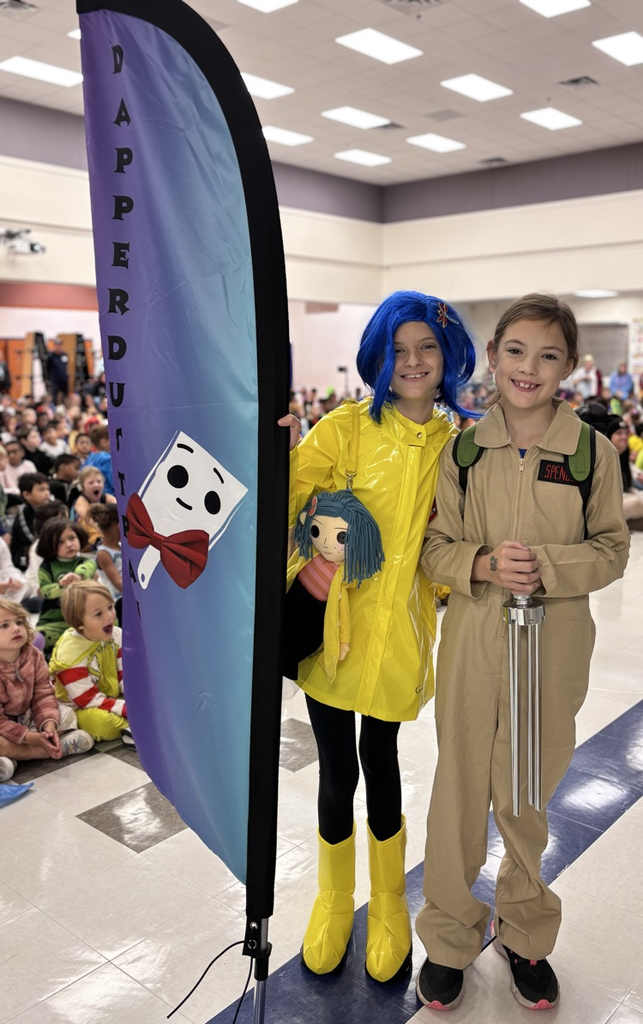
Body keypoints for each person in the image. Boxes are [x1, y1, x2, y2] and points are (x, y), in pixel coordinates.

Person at [414, 293, 630, 1011]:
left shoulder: (589, 452)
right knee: (457, 794)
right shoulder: (463, 451)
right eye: (514, 351)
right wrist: (478, 565)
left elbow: (610, 551)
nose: (528, 368)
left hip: (551, 645)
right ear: (494, 356)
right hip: (474, 642)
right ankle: (448, 935)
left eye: (546, 355)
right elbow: (432, 549)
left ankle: (524, 933)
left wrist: (544, 565)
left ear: (568, 366)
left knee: (527, 796)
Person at [278, 290, 476, 984]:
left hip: (400, 642)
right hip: (332, 633)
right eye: (398, 349)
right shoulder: (342, 430)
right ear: (377, 356)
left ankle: (388, 902)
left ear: (448, 356)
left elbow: (461, 542)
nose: (413, 362)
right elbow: (284, 496)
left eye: (426, 347)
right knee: (336, 771)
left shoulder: (460, 447)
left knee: (382, 765)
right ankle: (333, 898)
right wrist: (266, 442)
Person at [0, 598, 94, 782]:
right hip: (4, 727)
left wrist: (48, 726)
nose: (16, 628)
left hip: (28, 717)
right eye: (4, 625)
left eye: (19, 622)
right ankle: (51, 750)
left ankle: (15, 756)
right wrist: (30, 738)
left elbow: (43, 694)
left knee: (66, 713)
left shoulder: (33, 655)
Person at [49, 581, 131, 744]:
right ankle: (133, 726)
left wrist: (134, 697)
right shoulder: (70, 655)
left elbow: (125, 672)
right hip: (81, 706)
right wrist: (126, 709)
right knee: (101, 724)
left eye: (110, 607)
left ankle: (133, 722)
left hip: (109, 695)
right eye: (98, 614)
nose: (109, 616)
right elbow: (86, 699)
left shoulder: (117, 634)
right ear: (79, 623)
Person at [35, 519, 97, 655]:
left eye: (72, 538)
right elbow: (45, 590)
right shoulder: (46, 566)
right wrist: (63, 586)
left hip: (83, 619)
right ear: (49, 545)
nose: (69, 544)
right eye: (60, 542)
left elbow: (88, 568)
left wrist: (79, 577)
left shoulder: (86, 562)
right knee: (36, 639)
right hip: (53, 621)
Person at [10, 472, 51, 571]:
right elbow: (30, 537)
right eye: (41, 490)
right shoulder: (23, 512)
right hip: (23, 556)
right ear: (27, 495)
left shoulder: (51, 508)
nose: (47, 493)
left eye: (47, 489)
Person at [90, 503, 122, 622]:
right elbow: (118, 583)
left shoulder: (122, 546)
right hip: (118, 600)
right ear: (117, 525)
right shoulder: (104, 554)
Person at [82, 424, 114, 496]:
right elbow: (115, 483)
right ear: (104, 442)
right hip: (108, 497)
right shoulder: (106, 458)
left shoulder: (90, 457)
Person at [45, 339, 69, 406]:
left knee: (65, 395)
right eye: (57, 345)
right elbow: (48, 368)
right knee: (54, 396)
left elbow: (66, 366)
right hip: (55, 380)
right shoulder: (51, 357)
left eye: (59, 345)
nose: (58, 347)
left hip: (64, 380)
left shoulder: (64, 355)